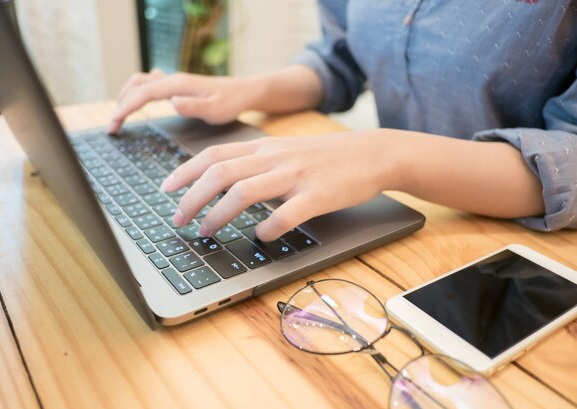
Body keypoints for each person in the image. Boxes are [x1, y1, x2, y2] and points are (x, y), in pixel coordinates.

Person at [109, 1, 577, 242]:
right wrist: (248, 90)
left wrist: (388, 155)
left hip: (521, 258)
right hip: (405, 223)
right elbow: (342, 59)